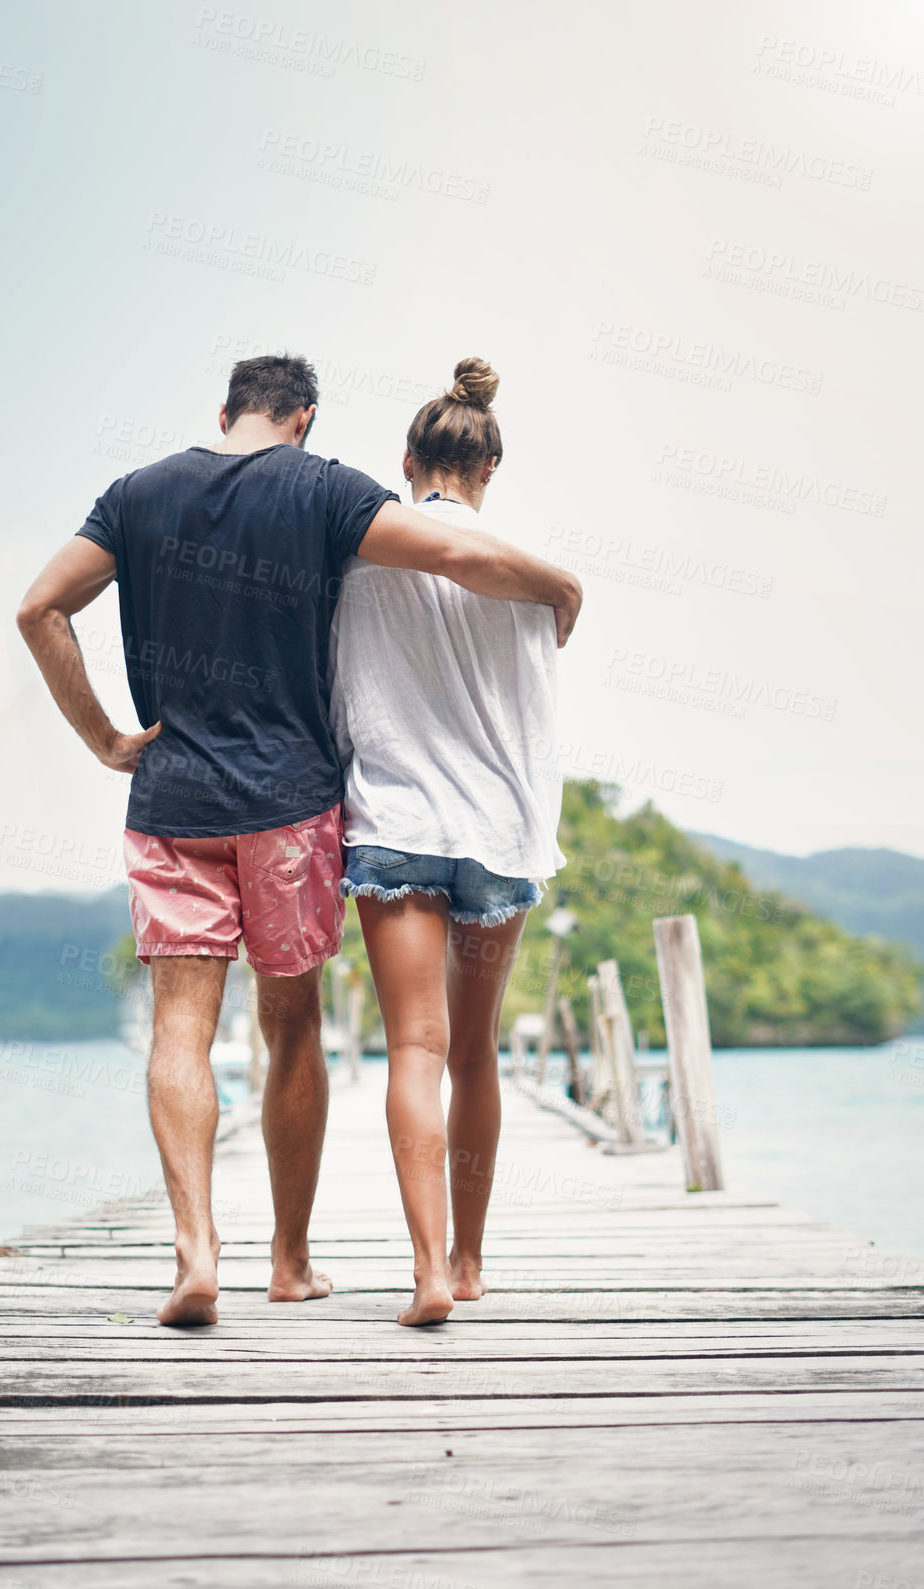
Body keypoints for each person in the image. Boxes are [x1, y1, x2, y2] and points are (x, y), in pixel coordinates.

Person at [17, 353, 582, 1327]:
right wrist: (562, 586)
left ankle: (197, 1251)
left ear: (225, 408)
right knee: (306, 1031)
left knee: (181, 1031)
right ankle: (296, 1262)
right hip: (292, 806)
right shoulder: (326, 496)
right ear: (306, 420)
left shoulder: (135, 494)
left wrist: (107, 737)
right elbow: (457, 554)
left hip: (175, 801)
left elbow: (38, 609)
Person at [330, 358, 567, 1326]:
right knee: (475, 1056)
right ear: (490, 469)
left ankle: (426, 1271)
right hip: (499, 830)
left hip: (395, 821)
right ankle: (470, 1262)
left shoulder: (358, 559)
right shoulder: (527, 575)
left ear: (406, 461)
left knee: (415, 1053)